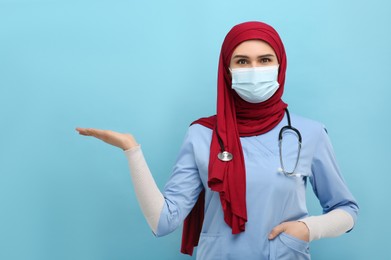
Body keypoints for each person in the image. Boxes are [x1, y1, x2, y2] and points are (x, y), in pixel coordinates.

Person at [76, 21, 358, 259]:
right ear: (227, 69)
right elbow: (163, 222)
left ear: (280, 66)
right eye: (242, 61)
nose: (254, 69)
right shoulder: (202, 134)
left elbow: (346, 210)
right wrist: (131, 150)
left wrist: (308, 229)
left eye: (264, 60)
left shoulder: (309, 133)